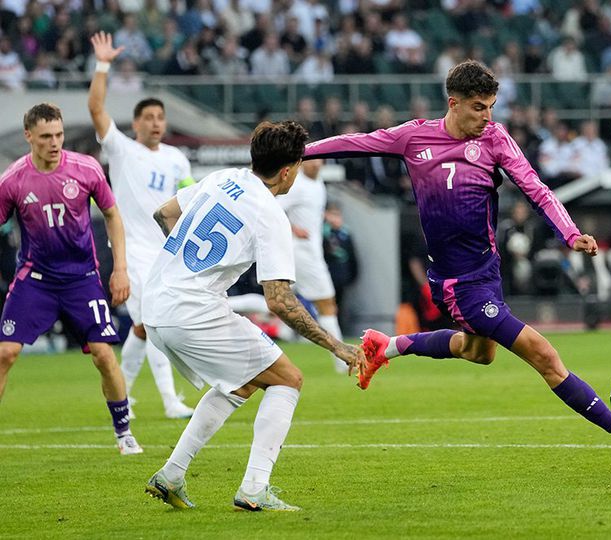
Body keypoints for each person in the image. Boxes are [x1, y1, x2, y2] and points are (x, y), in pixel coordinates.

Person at [305, 60, 611, 458]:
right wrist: (299, 152)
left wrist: (571, 233)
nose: (487, 116)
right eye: (478, 107)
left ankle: (385, 346)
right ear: (453, 103)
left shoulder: (494, 138)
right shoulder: (414, 137)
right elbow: (356, 142)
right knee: (545, 356)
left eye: (491, 106)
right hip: (458, 284)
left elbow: (536, 189)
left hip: (488, 272)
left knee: (479, 352)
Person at [142, 120, 365, 511]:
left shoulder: (222, 177)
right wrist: (337, 346)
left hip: (156, 303)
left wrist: (188, 269)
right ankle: (254, 489)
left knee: (241, 384)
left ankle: (172, 475)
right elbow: (279, 302)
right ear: (288, 171)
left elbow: (163, 214)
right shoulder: (270, 214)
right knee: (288, 379)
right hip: (191, 311)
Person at [0, 103, 142, 455]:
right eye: (46, 136)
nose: (55, 142)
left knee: (103, 355)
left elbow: (112, 215)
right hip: (35, 280)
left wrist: (120, 268)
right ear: (29, 135)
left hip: (82, 279)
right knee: (5, 353)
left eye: (59, 135)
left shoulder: (86, 168)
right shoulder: (13, 180)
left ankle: (124, 432)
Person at [88, 32, 195, 419]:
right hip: (132, 250)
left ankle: (124, 395)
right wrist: (103, 64)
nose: (155, 123)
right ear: (135, 123)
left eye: (160, 117)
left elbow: (189, 202)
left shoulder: (177, 158)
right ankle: (169, 401)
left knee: (142, 327)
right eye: (148, 117)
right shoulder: (122, 149)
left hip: (166, 252)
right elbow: (96, 108)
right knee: (154, 322)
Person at [276, 158, 347, 373]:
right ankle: (343, 360)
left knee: (283, 299)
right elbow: (273, 208)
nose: (315, 164)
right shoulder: (296, 185)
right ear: (302, 162)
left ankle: (283, 329)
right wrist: (293, 228)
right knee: (327, 304)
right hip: (301, 253)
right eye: (310, 160)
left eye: (318, 159)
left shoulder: (318, 184)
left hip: (311, 252)